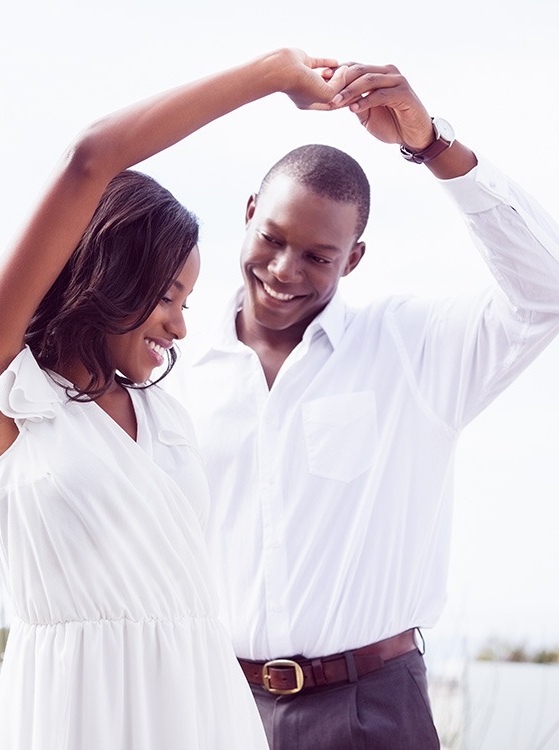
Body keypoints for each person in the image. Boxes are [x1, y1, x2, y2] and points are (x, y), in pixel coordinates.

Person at [0, 48, 353, 749]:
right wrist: (273, 74)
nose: (181, 325)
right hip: (74, 718)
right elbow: (91, 158)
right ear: (106, 277)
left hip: (201, 710)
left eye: (188, 299)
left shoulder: (162, 413)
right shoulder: (0, 396)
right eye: (166, 296)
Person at [168, 62, 559, 748]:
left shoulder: (412, 350)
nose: (285, 270)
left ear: (352, 259)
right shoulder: (169, 370)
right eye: (272, 239)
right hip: (214, 709)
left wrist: (433, 145)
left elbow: (545, 290)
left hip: (370, 712)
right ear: (248, 213)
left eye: (318, 256)